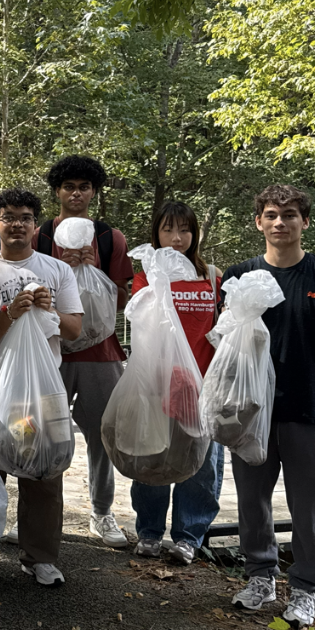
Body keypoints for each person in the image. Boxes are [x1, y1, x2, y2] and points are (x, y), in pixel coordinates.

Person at [224, 185, 315, 629]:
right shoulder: (240, 275)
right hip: (250, 410)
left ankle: (305, 589)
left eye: (289, 214)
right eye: (271, 214)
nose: (280, 222)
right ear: (258, 222)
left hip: (308, 405)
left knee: (309, 505)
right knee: (252, 500)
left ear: (305, 221)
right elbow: (225, 343)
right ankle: (260, 577)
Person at [0, 189, 84, 587]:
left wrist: (49, 309)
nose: (17, 224)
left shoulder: (56, 270)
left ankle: (40, 557)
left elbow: (74, 329)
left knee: (44, 473)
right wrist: (10, 313)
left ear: (35, 226)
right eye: (8, 217)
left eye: (26, 217)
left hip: (43, 391)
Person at [33, 155, 134, 548]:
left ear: (94, 192)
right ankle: (41, 514)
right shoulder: (41, 236)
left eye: (84, 187)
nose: (76, 194)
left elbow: (122, 299)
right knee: (42, 430)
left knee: (101, 432)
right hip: (51, 349)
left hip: (100, 352)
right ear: (57, 191)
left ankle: (102, 512)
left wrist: (96, 272)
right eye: (69, 187)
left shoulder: (109, 238)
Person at [129, 201, 224, 566]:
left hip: (204, 384)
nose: (176, 238)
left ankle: (188, 536)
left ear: (194, 234)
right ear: (156, 234)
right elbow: (141, 324)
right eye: (168, 229)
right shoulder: (148, 276)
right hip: (159, 384)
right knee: (154, 457)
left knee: (200, 464)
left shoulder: (211, 276)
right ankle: (149, 532)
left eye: (184, 229)